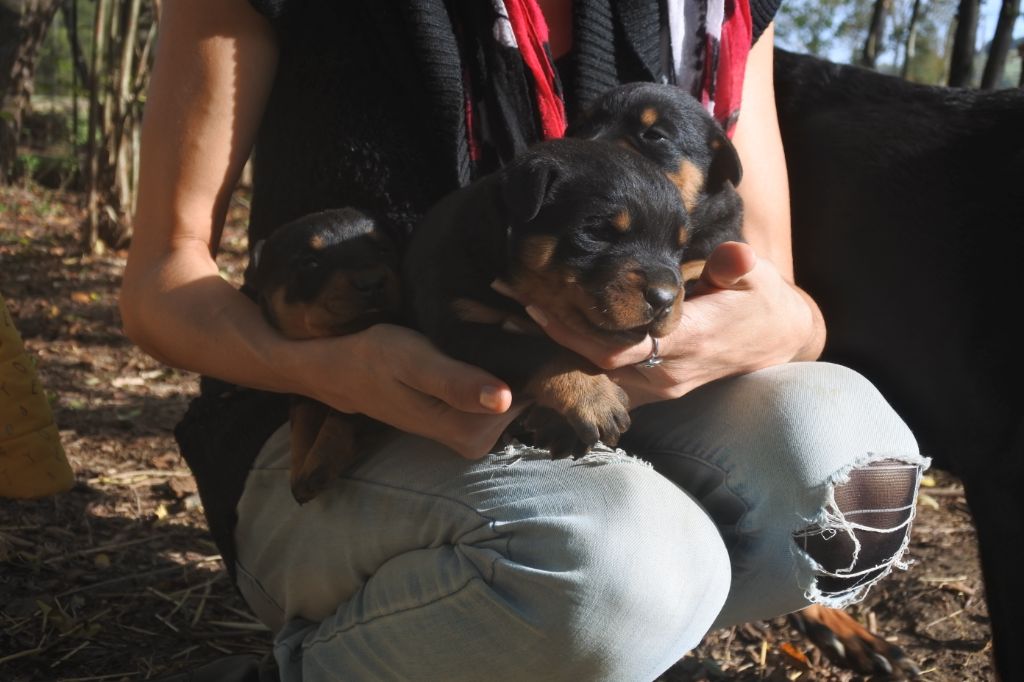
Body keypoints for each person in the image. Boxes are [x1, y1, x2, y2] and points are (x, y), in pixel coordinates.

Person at [121, 1, 930, 680]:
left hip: (614, 410)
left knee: (851, 461)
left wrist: (751, 329)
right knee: (620, 568)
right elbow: (161, 282)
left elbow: (785, 300)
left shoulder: (719, 12)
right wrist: (323, 369)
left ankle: (563, 637)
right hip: (334, 427)